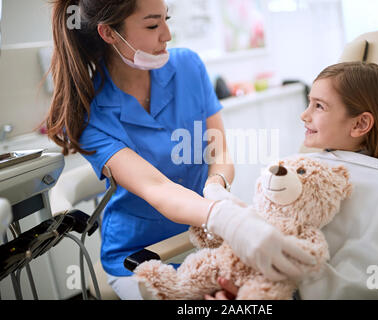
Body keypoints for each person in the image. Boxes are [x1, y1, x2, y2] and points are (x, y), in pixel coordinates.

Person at [45, 0, 316, 300]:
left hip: (206, 240)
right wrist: (226, 218)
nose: (167, 34)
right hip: (140, 257)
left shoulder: (188, 66)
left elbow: (219, 155)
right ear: (108, 33)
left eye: (166, 18)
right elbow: (158, 188)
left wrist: (216, 186)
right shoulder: (88, 114)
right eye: (152, 25)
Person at [206, 62, 378, 300]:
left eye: (319, 106)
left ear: (360, 124)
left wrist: (270, 285)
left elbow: (367, 283)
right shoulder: (303, 166)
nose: (304, 115)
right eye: (309, 103)